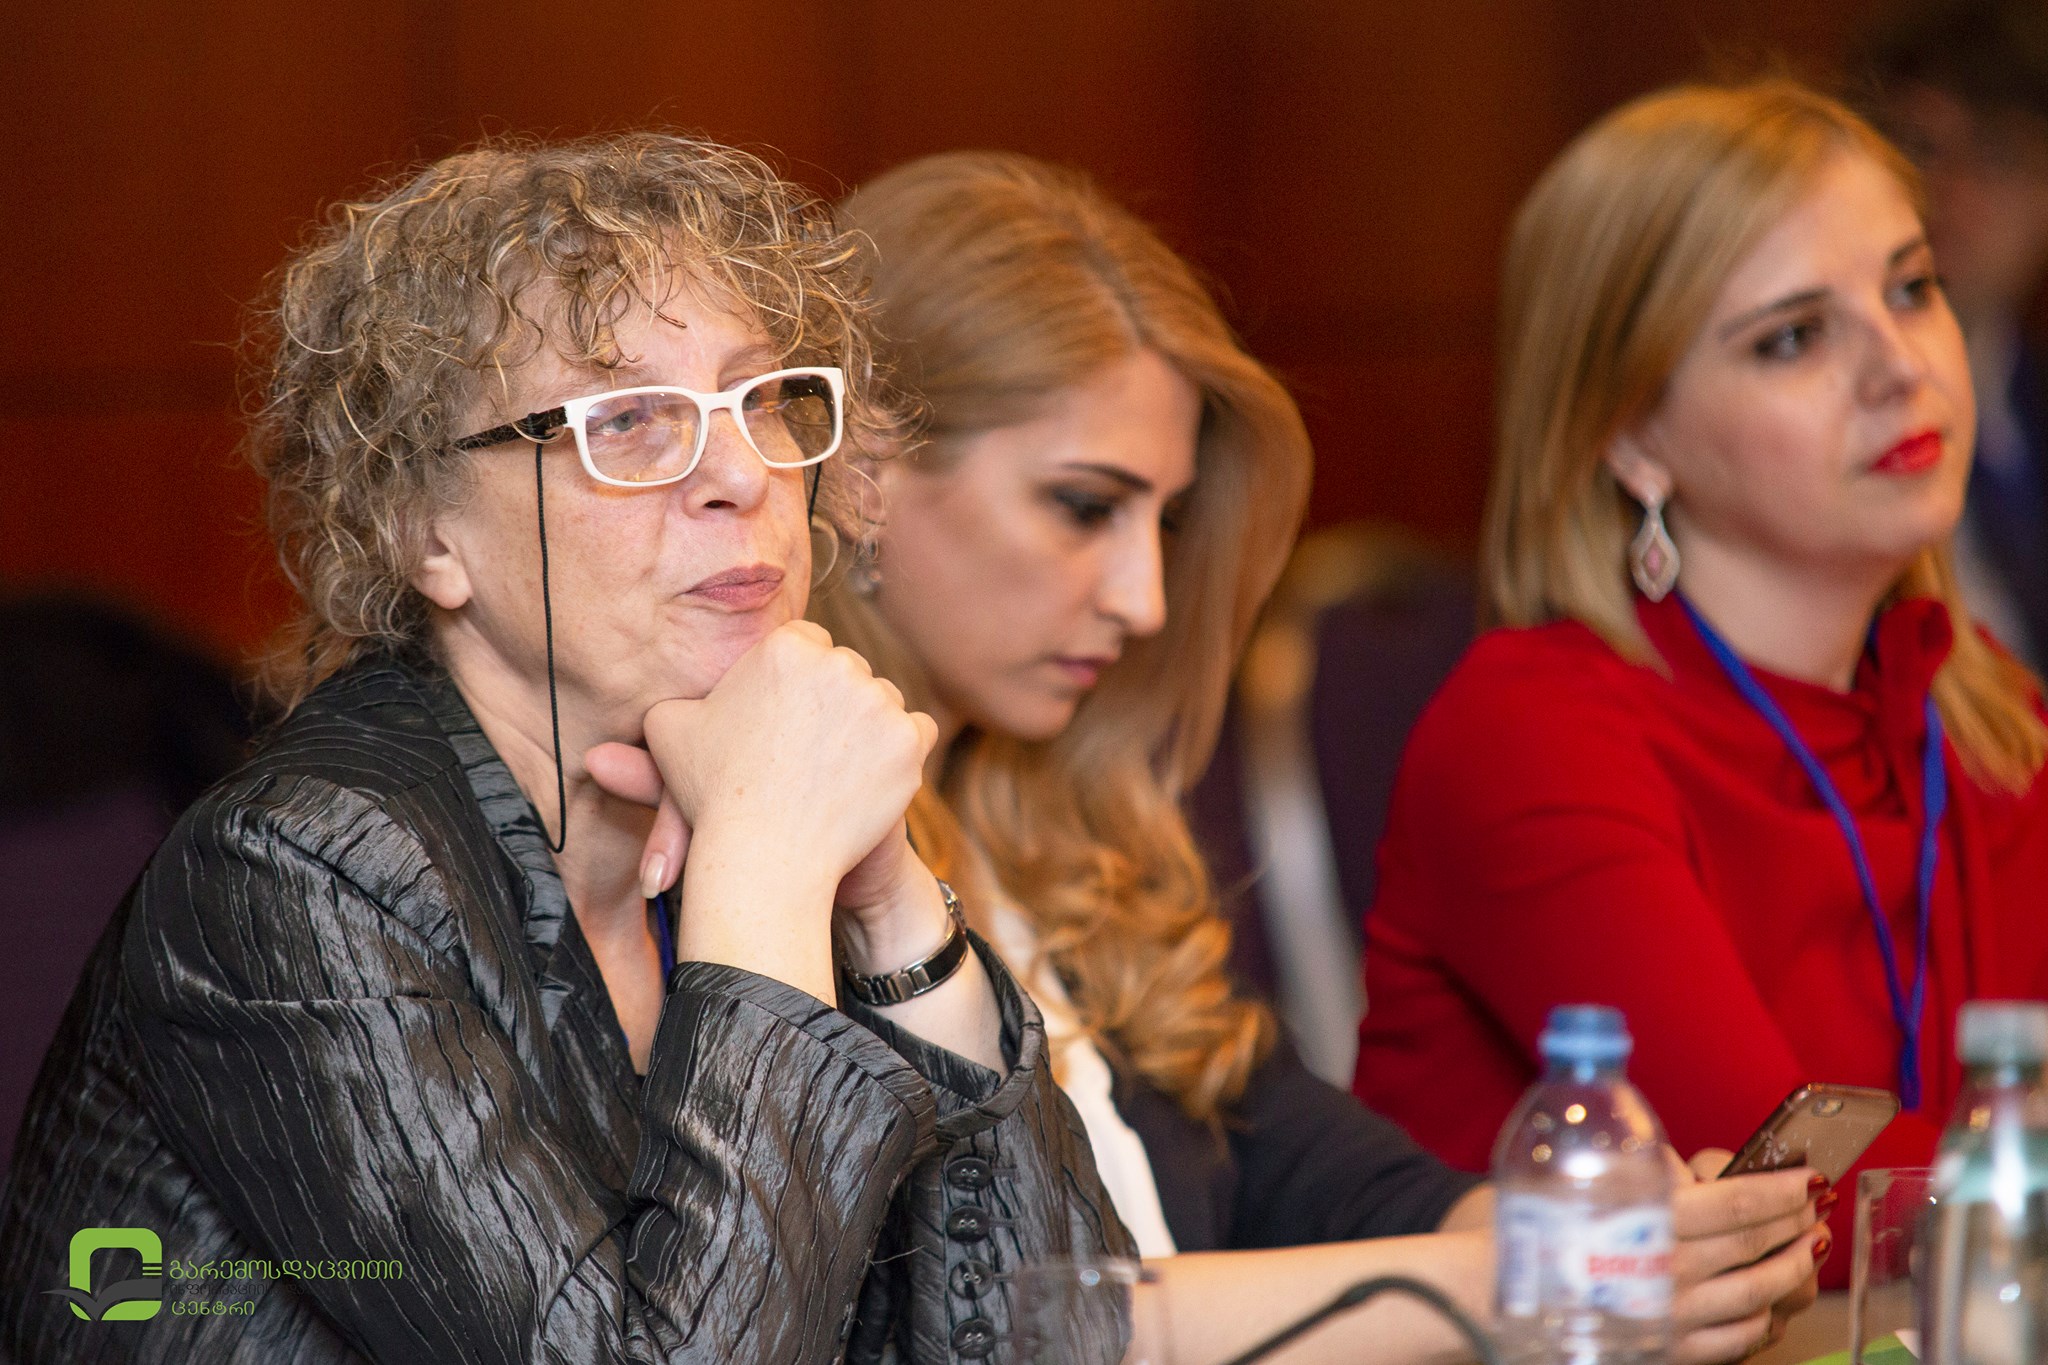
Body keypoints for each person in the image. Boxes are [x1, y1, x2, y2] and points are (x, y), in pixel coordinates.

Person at [608, 150, 1829, 1364]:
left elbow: (1314, 1166)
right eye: (1084, 507)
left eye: (1167, 520)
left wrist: (1609, 1244)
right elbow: (997, 1326)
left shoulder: (1060, 821)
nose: (1143, 599)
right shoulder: (745, 850)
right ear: (859, 477)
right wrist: (1517, 1280)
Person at [0, 132, 1126, 1364]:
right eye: (627, 420)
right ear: (422, 530)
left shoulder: (739, 808)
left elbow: (1052, 1336)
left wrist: (891, 906)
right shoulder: (295, 872)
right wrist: (766, 873)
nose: (740, 475)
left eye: (761, 399)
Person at [1352, 80, 2048, 1290]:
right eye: (1791, 338)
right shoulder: (1530, 735)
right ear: (1632, 439)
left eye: (1910, 288)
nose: (1898, 367)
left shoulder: (1983, 713)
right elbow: (1790, 1196)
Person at [1864, 0, 2048, 669]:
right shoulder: (1837, 412)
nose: (1952, 192)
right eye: (1920, 148)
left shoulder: (2029, 402)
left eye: (1998, 156)